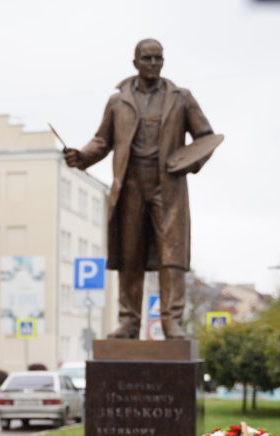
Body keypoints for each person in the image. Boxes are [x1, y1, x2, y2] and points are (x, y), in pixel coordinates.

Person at [63, 38, 219, 339]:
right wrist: (81, 157)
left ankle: (172, 321)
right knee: (130, 255)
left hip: (168, 186)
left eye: (158, 58)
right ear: (134, 62)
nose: (153, 64)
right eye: (147, 58)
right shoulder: (118, 100)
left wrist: (187, 161)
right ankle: (129, 322)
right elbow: (102, 141)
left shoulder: (181, 98)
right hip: (131, 183)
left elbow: (206, 137)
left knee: (171, 256)